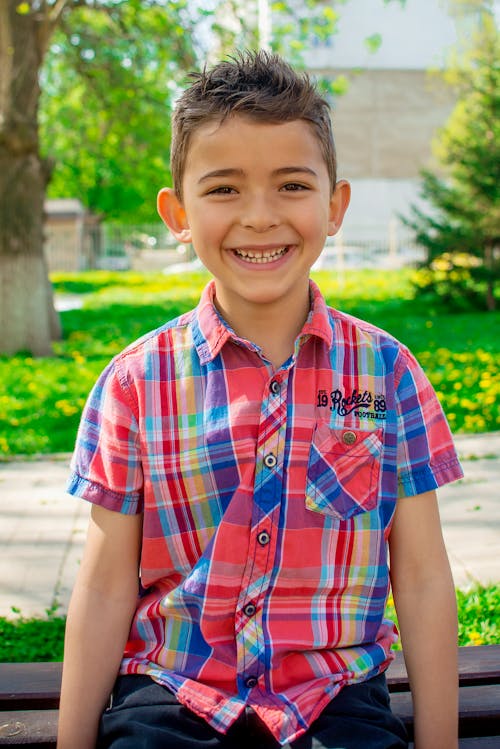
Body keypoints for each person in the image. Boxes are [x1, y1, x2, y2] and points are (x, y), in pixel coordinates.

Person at [57, 51, 463, 749]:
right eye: (223, 190)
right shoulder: (134, 384)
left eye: (292, 184)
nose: (259, 216)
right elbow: (102, 587)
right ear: (178, 212)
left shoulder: (389, 374)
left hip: (335, 697)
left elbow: (423, 578)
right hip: (173, 693)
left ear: (334, 206)